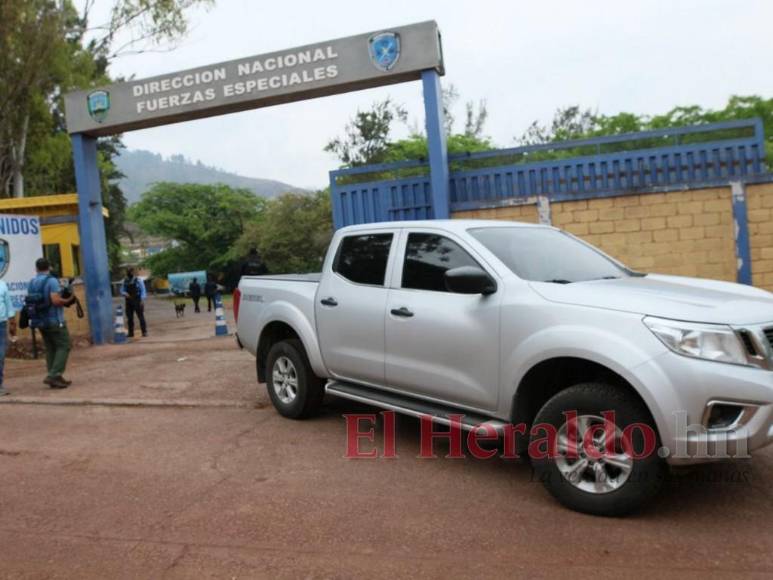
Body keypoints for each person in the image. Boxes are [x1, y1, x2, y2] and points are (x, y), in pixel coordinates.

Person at [28, 258, 75, 389]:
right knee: (64, 345)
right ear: (49, 267)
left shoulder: (32, 282)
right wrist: (69, 299)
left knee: (51, 348)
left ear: (36, 268)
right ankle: (54, 374)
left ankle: (55, 376)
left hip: (40, 321)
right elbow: (55, 300)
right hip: (54, 320)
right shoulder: (52, 281)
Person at [0, 279, 17, 396]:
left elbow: (9, 305)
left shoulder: (2, 284)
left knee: (0, 354)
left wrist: (12, 323)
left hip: (1, 324)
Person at [121, 267, 148, 337]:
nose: (130, 273)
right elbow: (122, 290)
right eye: (128, 272)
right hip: (128, 300)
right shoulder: (125, 281)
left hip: (137, 300)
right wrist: (124, 293)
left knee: (140, 316)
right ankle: (131, 333)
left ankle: (144, 332)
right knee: (129, 318)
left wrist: (142, 299)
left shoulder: (138, 280)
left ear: (133, 272)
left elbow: (143, 291)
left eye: (131, 272)